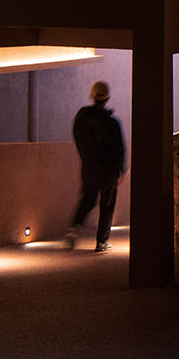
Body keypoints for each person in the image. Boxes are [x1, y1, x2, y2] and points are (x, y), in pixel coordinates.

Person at [66, 80, 126, 252]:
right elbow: (119, 148)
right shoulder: (112, 123)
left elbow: (78, 140)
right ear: (107, 98)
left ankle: (75, 227)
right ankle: (101, 241)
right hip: (108, 172)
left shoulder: (81, 119)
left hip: (89, 169)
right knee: (107, 206)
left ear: (92, 96)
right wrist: (121, 169)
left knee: (87, 199)